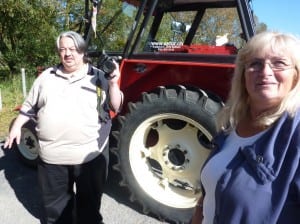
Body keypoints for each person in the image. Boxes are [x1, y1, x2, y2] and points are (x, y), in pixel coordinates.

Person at [4, 30, 123, 224]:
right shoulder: (46, 77)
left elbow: (115, 106)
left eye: (73, 49)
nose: (67, 54)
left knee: (90, 210)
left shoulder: (99, 77)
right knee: (56, 213)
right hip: (52, 159)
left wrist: (113, 83)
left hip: (90, 158)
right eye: (62, 49)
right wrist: (17, 127)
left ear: (83, 51)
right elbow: (28, 107)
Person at [191, 31, 300, 224]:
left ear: (296, 75)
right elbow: (213, 184)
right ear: (243, 75)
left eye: (279, 63)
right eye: (255, 63)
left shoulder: (296, 134)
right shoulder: (232, 122)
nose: (265, 72)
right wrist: (199, 212)